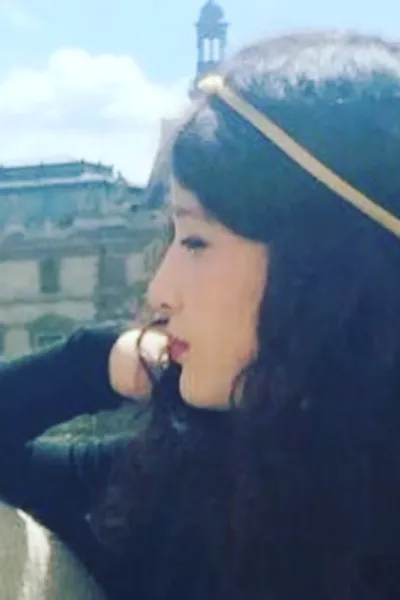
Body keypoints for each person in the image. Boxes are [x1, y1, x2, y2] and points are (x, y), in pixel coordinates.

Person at [0, 30, 400, 599]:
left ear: (327, 267)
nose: (159, 291)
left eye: (195, 241)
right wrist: (95, 359)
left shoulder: (191, 498)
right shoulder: (183, 481)